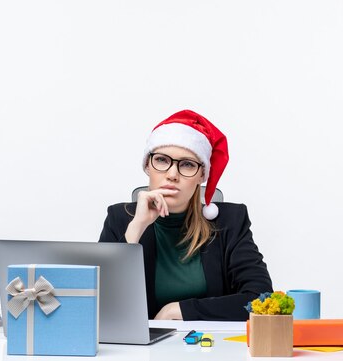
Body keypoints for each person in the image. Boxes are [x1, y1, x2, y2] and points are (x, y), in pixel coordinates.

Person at [99, 110, 272, 321]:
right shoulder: (121, 218)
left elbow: (261, 300)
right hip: (141, 351)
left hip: (210, 348)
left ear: (202, 175)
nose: (172, 175)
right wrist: (135, 229)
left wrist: (180, 310)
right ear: (147, 166)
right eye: (162, 160)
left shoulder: (230, 221)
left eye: (187, 164)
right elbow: (99, 302)